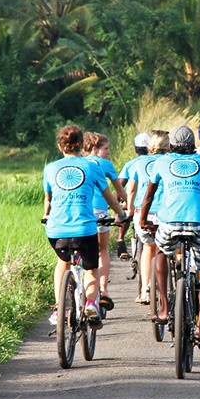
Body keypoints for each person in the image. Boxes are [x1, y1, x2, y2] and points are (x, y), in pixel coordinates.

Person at [139, 125, 200, 349]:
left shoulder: (162, 162)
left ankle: (164, 308)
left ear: (171, 146)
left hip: (169, 224)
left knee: (162, 253)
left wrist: (144, 220)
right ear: (193, 146)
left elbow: (148, 196)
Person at [44, 125, 124, 326]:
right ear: (81, 145)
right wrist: (121, 215)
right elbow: (111, 200)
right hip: (84, 229)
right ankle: (90, 303)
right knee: (90, 268)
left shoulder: (50, 168)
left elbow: (49, 199)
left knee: (63, 262)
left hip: (56, 230)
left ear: (60, 146)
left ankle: (58, 307)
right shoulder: (92, 167)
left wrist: (46, 216)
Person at [127, 129, 169, 309]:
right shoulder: (169, 162)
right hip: (165, 215)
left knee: (148, 248)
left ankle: (145, 290)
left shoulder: (138, 162)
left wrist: (129, 209)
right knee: (168, 249)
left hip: (142, 214)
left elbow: (131, 190)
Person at [84, 131, 126, 310]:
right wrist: (125, 207)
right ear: (95, 148)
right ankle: (103, 290)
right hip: (100, 211)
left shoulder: (78, 163)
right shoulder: (105, 164)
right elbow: (119, 191)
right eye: (106, 148)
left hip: (82, 212)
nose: (108, 152)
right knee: (102, 250)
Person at [114, 132, 151, 260]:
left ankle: (120, 239)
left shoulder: (131, 164)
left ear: (136, 149)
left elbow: (120, 186)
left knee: (125, 210)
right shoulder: (158, 161)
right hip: (154, 202)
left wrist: (116, 202)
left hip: (135, 202)